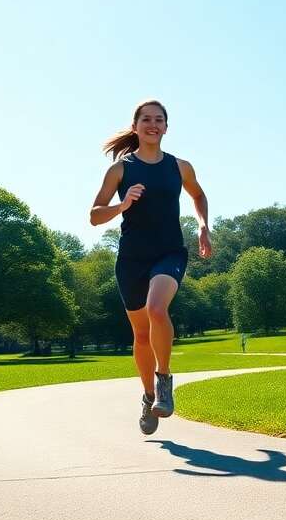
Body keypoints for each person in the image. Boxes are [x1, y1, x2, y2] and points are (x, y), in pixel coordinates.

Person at [90, 99, 211, 434]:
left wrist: (202, 225)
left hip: (170, 252)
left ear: (166, 128)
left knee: (157, 309)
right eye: (146, 119)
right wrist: (123, 204)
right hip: (131, 259)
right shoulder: (121, 170)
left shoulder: (179, 167)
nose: (153, 125)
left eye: (159, 120)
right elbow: (94, 215)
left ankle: (164, 381)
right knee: (141, 334)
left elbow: (198, 196)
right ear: (136, 126)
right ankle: (147, 395)